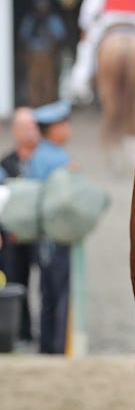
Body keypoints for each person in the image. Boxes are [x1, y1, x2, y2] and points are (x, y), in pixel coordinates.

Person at [24, 100, 74, 355]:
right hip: (55, 238)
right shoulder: (57, 159)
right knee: (60, 293)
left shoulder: (38, 155)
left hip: (42, 238)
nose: (68, 129)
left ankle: (47, 346)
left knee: (47, 293)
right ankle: (57, 347)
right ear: (53, 129)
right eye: (64, 124)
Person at [0, 107, 42, 346]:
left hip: (42, 235)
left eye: (32, 127)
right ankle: (21, 331)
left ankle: (47, 334)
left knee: (50, 286)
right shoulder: (6, 163)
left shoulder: (45, 161)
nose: (28, 132)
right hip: (14, 237)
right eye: (23, 127)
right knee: (16, 281)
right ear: (15, 131)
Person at [18, 0, 67, 107]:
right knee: (34, 80)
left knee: (49, 80)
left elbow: (60, 36)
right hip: (33, 54)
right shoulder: (31, 19)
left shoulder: (53, 19)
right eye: (39, 7)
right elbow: (23, 37)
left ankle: (49, 104)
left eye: (43, 7)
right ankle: (35, 104)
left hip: (48, 54)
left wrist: (54, 49)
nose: (41, 9)